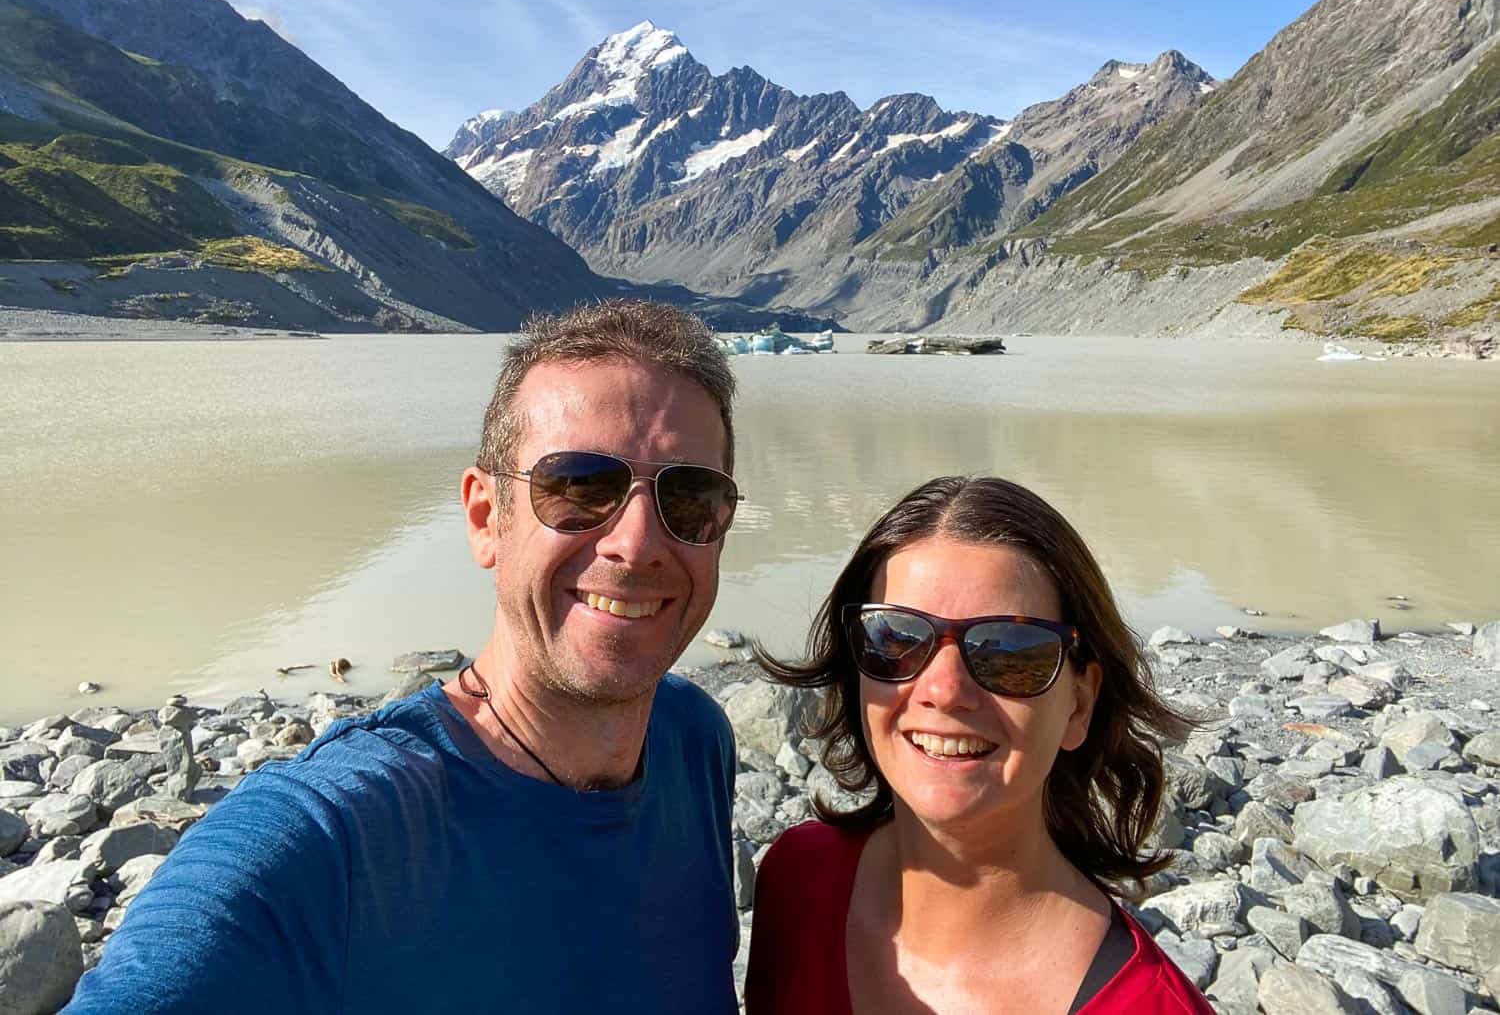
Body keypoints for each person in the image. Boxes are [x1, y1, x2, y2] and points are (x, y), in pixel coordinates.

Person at [67, 299, 744, 1013]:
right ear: (486, 517)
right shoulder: (332, 836)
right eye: (578, 487)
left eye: (690, 497)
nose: (635, 542)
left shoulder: (692, 743)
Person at [746, 476, 1213, 1015]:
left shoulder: (1149, 1006)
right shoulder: (798, 882)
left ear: (1079, 704)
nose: (944, 691)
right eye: (894, 640)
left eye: (1009, 651)